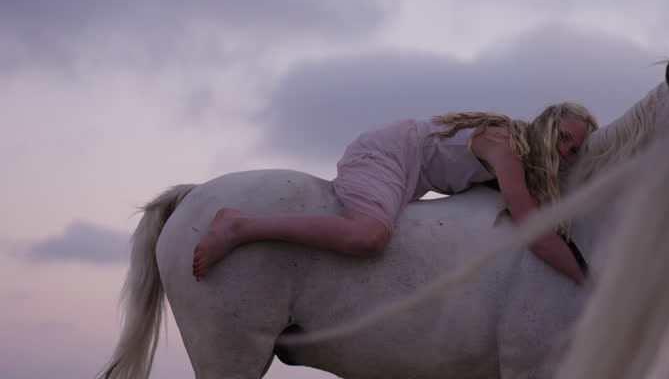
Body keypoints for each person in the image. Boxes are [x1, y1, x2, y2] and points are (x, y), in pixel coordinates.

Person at [192, 102, 599, 285]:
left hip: (406, 166)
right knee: (370, 236)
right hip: (387, 154)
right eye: (562, 138)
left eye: (575, 148)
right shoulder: (506, 145)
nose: (566, 151)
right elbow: (533, 227)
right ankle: (241, 225)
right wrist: (587, 280)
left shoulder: (521, 159)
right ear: (545, 127)